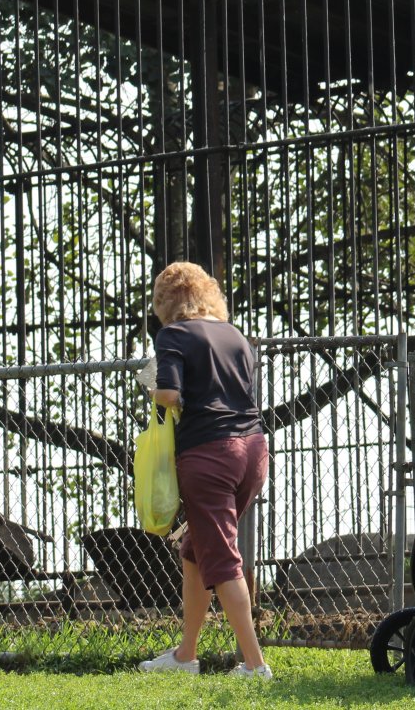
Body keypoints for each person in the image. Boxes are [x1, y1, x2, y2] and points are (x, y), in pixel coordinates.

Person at [138, 261, 272, 680]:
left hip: (208, 455)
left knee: (222, 560)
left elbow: (169, 394)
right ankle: (185, 656)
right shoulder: (236, 336)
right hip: (253, 452)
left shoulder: (173, 335)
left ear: (165, 303)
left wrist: (149, 385)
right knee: (196, 551)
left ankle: (255, 666)